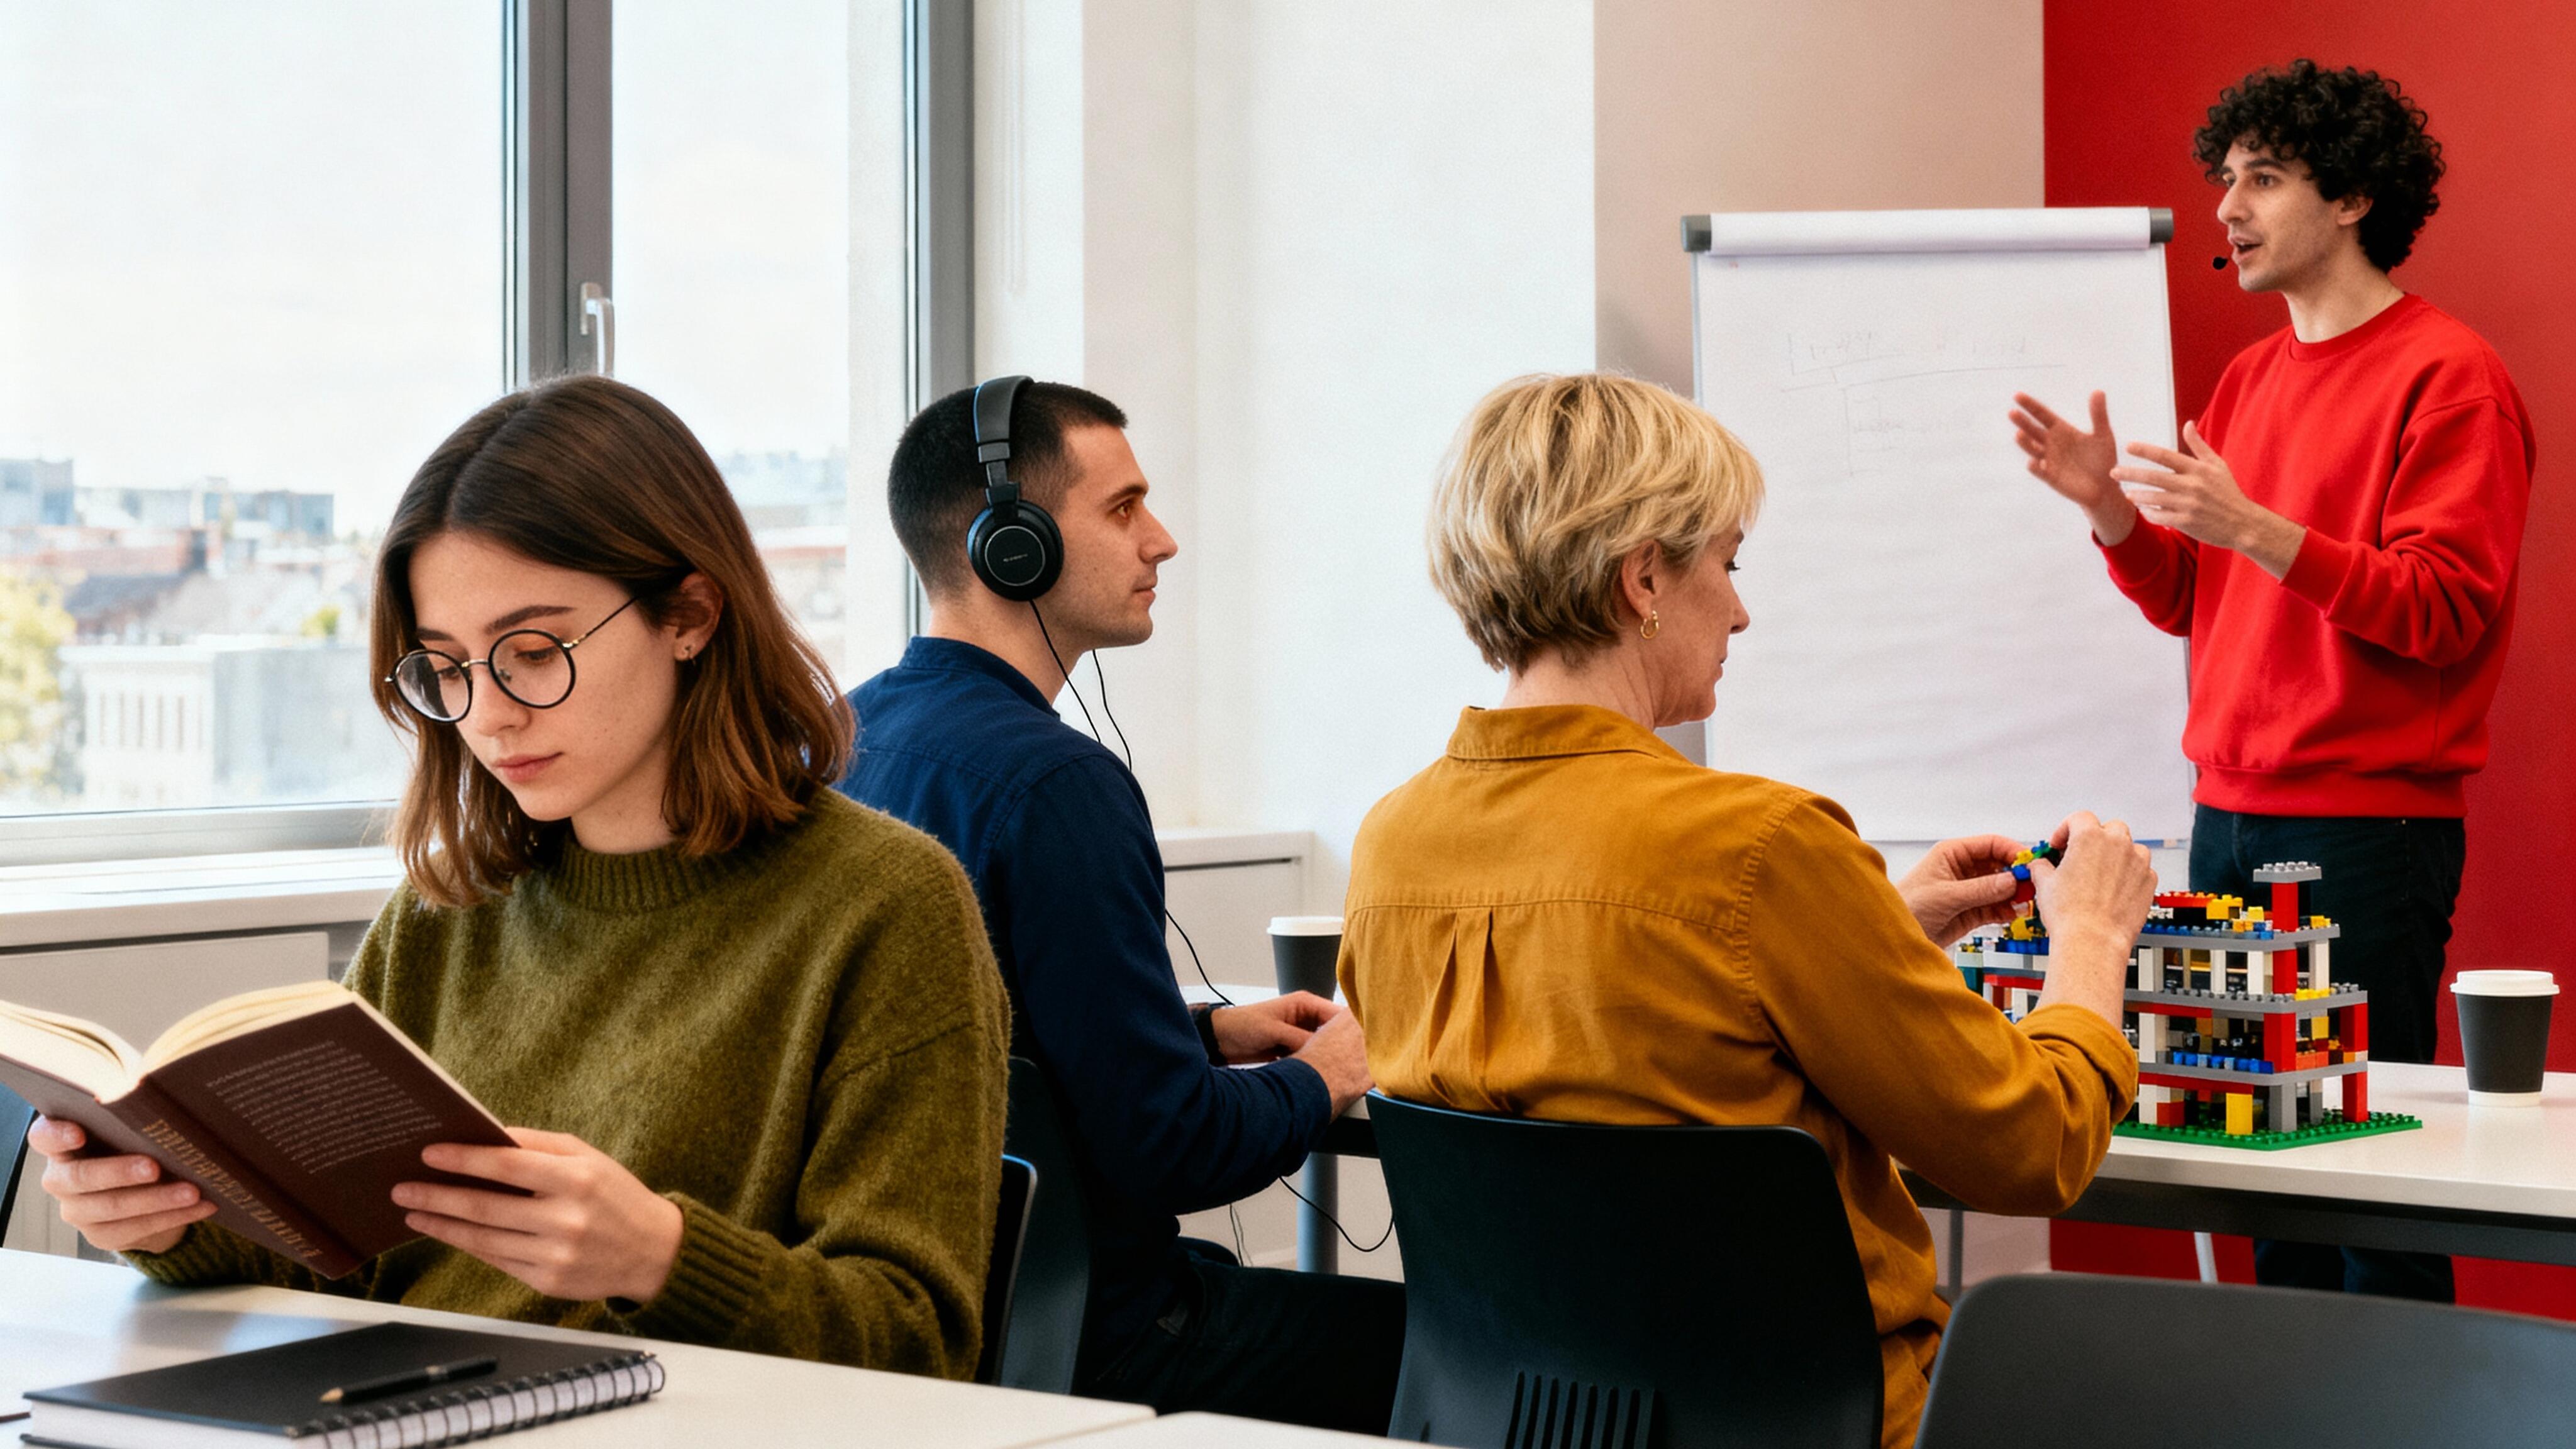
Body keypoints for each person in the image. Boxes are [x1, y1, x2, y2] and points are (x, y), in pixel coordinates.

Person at [26, 375, 1010, 1379]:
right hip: (410, 1410)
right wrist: (163, 1216)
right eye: (447, 666)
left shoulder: (887, 907)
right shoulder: (446, 911)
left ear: (691, 614)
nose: (489, 714)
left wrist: (661, 1259)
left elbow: (917, 1343)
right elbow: (346, 1263)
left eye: (532, 651)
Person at [1340, 372, 2157, 1449]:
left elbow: (1622, 1039)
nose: (1741, 607)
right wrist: (2090, 945)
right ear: (1643, 580)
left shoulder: (1394, 844)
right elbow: (2032, 1149)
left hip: (1514, 1422)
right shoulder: (1760, 848)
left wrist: (1870, 933)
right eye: (1726, 564)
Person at [2011, 60, 2534, 1302]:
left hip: (2364, 831)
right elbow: (2198, 603)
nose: (2225, 211)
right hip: (2227, 819)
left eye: (2260, 179)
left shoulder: (2448, 378)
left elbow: (2443, 611)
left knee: (2364, 1181)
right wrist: (2106, 512)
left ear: (2351, 195)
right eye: (2220, 183)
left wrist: (2255, 529)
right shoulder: (2247, 381)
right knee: (2261, 1170)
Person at [838, 377, 1402, 1431]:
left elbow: (993, 1054)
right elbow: (1171, 1150)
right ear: (1010, 543)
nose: (1164, 540)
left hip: (941, 1317)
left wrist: (1199, 1032)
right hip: (1098, 1333)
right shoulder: (1058, 788)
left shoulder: (838, 740)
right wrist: (1322, 1081)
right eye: (1123, 508)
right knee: (1446, 1348)